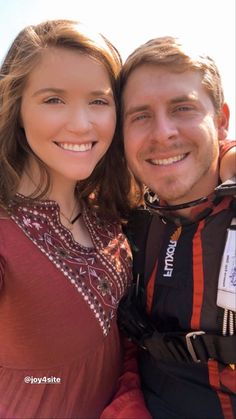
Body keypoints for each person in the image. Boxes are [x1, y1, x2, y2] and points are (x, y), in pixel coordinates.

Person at [0, 19, 151, 419]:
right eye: (53, 100)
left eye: (98, 101)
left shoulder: (107, 210)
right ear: (17, 109)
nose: (81, 124)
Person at [114, 36, 236, 418]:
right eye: (140, 115)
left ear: (220, 122)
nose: (162, 132)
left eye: (182, 108)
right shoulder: (129, 218)